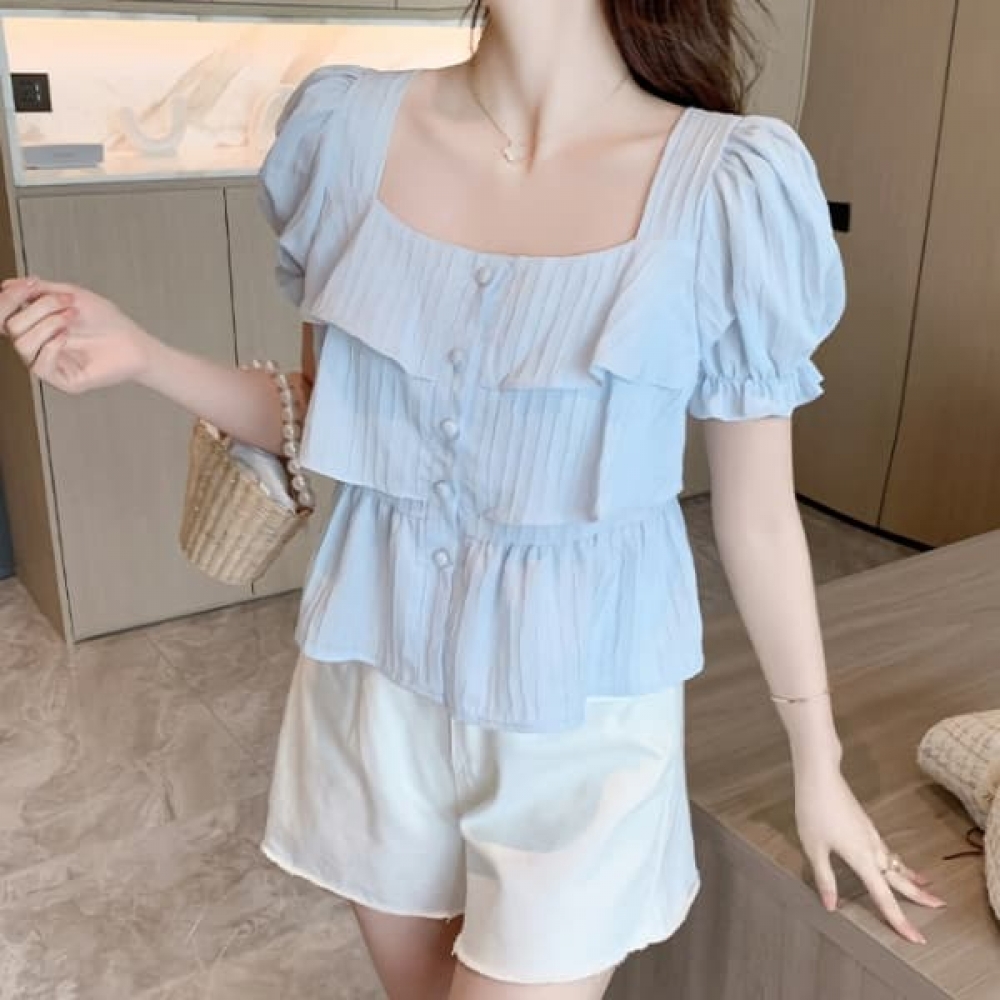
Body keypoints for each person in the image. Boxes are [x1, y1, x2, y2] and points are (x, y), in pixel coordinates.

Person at [0, 1, 947, 997]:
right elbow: (333, 416)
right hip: (373, 696)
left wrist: (816, 758)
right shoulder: (343, 133)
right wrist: (144, 357)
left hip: (579, 726)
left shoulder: (726, 185)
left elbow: (757, 516)